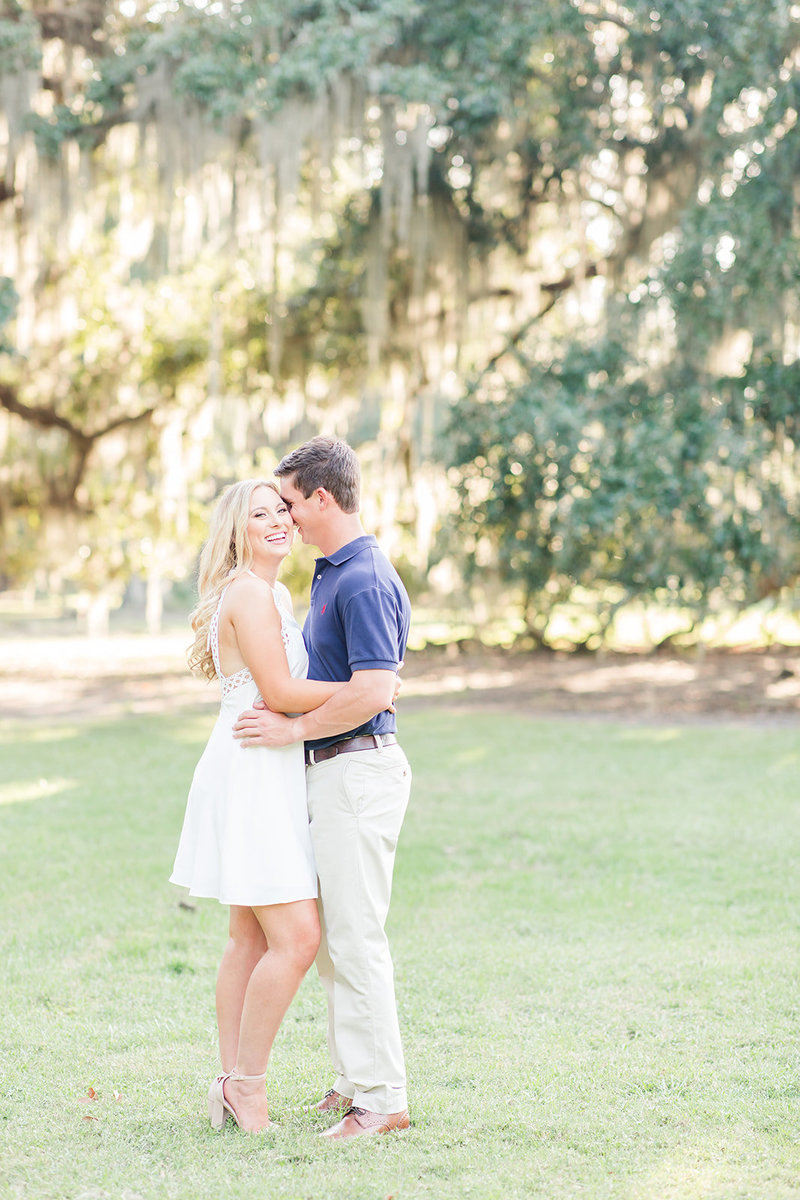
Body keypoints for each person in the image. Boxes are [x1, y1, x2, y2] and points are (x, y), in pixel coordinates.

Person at [233, 436, 412, 1142]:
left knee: (358, 939)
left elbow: (374, 691)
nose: (286, 517)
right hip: (334, 771)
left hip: (357, 772)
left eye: (291, 503)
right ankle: (351, 1082)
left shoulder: (364, 576)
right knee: (337, 939)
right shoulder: (332, 573)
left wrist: (293, 730)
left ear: (323, 498)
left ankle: (382, 1101)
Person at [170, 478, 353, 1134]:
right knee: (297, 936)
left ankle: (230, 1081)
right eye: (260, 514)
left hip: (264, 765)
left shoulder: (270, 592)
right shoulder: (249, 593)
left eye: (282, 509)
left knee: (248, 936)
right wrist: (368, 685)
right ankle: (247, 1085)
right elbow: (277, 690)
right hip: (251, 768)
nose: (278, 520)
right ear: (236, 531)